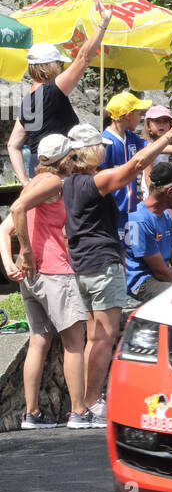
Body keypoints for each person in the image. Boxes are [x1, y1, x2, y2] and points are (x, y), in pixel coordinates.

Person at [63, 113, 172, 421]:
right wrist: (169, 135)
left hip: (82, 263)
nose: (105, 150)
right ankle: (92, 403)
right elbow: (133, 167)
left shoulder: (68, 183)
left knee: (93, 336)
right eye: (100, 146)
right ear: (90, 151)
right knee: (104, 337)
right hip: (102, 263)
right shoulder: (91, 182)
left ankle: (82, 405)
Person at [0, 134, 91, 429]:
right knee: (75, 341)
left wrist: (10, 264)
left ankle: (32, 414)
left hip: (30, 275)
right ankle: (79, 411)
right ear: (66, 158)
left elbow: (3, 229)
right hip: (52, 270)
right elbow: (16, 211)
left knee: (39, 340)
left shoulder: (34, 183)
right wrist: (25, 251)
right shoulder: (52, 183)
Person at [7, 0, 114, 183]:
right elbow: (84, 57)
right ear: (52, 66)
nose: (63, 68)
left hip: (38, 173)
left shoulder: (29, 99)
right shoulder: (52, 92)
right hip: (59, 172)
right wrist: (103, 23)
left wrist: (25, 182)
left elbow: (12, 145)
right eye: (60, 63)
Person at [125, 162, 172, 303]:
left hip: (160, 277)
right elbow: (159, 271)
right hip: (142, 282)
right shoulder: (139, 220)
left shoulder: (165, 216)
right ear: (169, 192)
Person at [101, 90, 152, 246]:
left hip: (130, 210)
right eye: (139, 113)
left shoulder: (130, 137)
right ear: (129, 115)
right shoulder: (105, 142)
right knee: (117, 249)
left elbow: (151, 147)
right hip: (113, 211)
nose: (141, 117)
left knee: (130, 249)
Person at [140, 104, 172, 194]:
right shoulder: (148, 146)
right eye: (157, 121)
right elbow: (148, 178)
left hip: (164, 192)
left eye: (165, 121)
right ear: (148, 126)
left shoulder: (168, 144)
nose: (161, 124)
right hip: (153, 193)